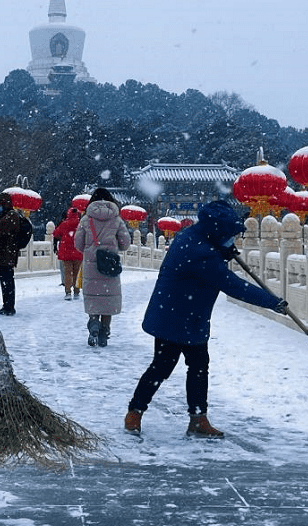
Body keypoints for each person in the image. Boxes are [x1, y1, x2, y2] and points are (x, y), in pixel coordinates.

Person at [123, 200, 286, 439]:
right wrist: (272, 302)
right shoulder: (202, 254)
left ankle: (197, 419)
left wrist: (222, 250)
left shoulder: (192, 235)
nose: (232, 238)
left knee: (196, 366)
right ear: (216, 230)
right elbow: (233, 285)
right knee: (165, 367)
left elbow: (212, 256)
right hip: (176, 317)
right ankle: (136, 413)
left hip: (188, 314)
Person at [73, 187, 130, 347]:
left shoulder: (86, 219)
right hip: (109, 265)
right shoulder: (117, 219)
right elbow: (125, 244)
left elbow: (78, 244)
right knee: (107, 300)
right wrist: (112, 246)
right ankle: (104, 332)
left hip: (91, 264)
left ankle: (93, 325)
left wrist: (90, 249)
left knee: (94, 297)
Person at [0, 191, 33, 316]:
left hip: (6, 253)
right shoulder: (6, 215)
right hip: (5, 253)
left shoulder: (10, 216)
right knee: (6, 280)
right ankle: (7, 305)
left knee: (7, 281)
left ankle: (9, 307)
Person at [53, 207, 83, 301]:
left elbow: (55, 233)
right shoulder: (81, 224)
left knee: (67, 273)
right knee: (76, 273)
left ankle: (68, 292)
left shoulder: (64, 223)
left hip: (66, 252)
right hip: (78, 251)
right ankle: (77, 291)